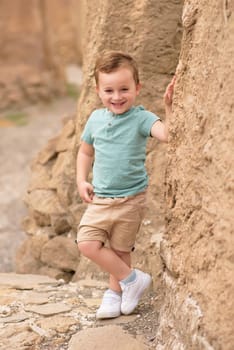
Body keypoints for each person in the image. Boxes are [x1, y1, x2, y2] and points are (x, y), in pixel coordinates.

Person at [76, 50, 175, 319]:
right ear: (98, 91)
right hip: (101, 199)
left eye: (124, 89)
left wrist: (168, 108)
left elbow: (166, 135)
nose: (117, 96)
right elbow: (85, 152)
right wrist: (81, 179)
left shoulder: (141, 118)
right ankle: (132, 280)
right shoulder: (95, 119)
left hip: (131, 199)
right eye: (109, 90)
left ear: (137, 88)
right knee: (87, 243)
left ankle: (115, 293)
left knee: (120, 250)